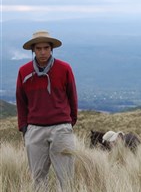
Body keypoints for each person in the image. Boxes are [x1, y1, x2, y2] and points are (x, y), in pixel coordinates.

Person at [16, 30, 78, 191]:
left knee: (66, 178)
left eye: (46, 48)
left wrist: (69, 122)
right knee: (37, 178)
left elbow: (73, 97)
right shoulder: (24, 71)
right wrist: (24, 127)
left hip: (61, 128)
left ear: (52, 49)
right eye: (38, 48)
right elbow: (21, 101)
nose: (42, 52)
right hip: (34, 129)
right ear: (33, 50)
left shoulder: (64, 69)